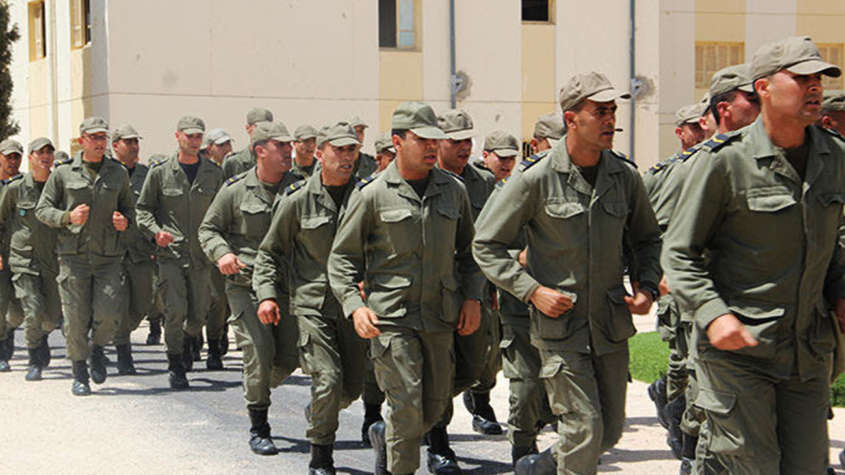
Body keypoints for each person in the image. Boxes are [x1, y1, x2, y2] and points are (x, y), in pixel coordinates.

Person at [662, 36, 845, 474]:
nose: (814, 86)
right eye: (801, 78)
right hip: (738, 351)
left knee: (807, 467)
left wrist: (841, 292)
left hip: (807, 353)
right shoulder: (723, 162)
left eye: (818, 78)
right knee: (755, 466)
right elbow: (679, 253)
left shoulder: (835, 157)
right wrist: (714, 314)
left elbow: (835, 242)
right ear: (763, 87)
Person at [473, 72, 661, 474]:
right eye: (600, 112)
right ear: (571, 119)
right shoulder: (536, 178)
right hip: (561, 329)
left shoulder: (625, 177)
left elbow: (647, 239)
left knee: (608, 432)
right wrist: (531, 291)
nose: (610, 120)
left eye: (612, 111)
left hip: (610, 325)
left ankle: (537, 468)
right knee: (584, 430)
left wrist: (646, 286)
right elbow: (485, 244)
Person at [328, 101, 484, 475]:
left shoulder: (453, 190)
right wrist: (354, 305)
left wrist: (473, 297)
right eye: (422, 140)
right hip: (392, 319)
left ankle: (388, 436)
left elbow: (470, 252)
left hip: (440, 316)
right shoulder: (372, 194)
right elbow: (342, 258)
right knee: (406, 405)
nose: (432, 147)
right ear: (398, 142)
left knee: (434, 408)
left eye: (435, 140)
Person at [654, 63, 760, 472]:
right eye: (751, 98)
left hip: (760, 306)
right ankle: (689, 443)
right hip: (708, 301)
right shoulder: (695, 165)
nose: (760, 106)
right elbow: (659, 228)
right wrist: (662, 277)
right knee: (704, 389)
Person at [253, 122, 365, 473]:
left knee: (353, 387)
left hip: (354, 307)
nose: (346, 157)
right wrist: (267, 296)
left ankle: (320, 410)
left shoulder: (366, 196)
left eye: (351, 150)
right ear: (320, 153)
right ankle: (321, 457)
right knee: (328, 379)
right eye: (338, 150)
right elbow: (270, 253)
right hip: (312, 304)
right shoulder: (298, 200)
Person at [199, 121, 301, 456]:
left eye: (289, 145)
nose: (288, 151)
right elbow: (208, 230)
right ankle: (259, 427)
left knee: (288, 357)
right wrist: (222, 253)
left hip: (288, 287)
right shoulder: (235, 190)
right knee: (259, 351)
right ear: (260, 150)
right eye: (280, 146)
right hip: (247, 286)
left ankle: (255, 385)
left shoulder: (300, 188)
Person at [35, 117, 135, 396]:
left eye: (103, 137)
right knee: (76, 319)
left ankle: (98, 348)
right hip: (74, 257)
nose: (100, 142)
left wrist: (124, 221)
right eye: (94, 137)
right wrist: (67, 217)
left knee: (108, 314)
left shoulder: (118, 173)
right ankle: (79, 372)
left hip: (108, 257)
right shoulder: (63, 173)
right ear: (82, 141)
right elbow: (42, 210)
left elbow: (131, 209)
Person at [493, 113, 563, 466]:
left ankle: (567, 445)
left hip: (565, 306)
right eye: (554, 144)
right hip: (521, 305)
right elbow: (484, 247)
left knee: (563, 384)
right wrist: (518, 257)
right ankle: (522, 447)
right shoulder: (513, 189)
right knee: (525, 385)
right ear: (536, 145)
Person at [431, 109, 501, 454]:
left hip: (477, 287)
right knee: (440, 367)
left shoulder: (484, 183)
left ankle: (471, 401)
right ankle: (438, 439)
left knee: (478, 362)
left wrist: (495, 286)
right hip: (436, 290)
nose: (464, 147)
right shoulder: (425, 181)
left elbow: (498, 234)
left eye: (467, 140)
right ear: (437, 142)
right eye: (455, 140)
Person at [136, 116, 224, 388]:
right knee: (174, 311)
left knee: (198, 315)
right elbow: (143, 210)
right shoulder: (160, 173)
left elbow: (223, 212)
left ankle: (187, 339)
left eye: (198, 136)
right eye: (189, 136)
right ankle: (175, 363)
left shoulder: (213, 173)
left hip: (201, 256)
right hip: (171, 255)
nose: (194, 141)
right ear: (178, 137)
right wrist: (155, 232)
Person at [0, 137, 60, 381]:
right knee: (28, 310)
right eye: (39, 152)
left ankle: (41, 336)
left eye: (49, 152)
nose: (45, 157)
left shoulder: (59, 186)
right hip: (21, 258)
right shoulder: (16, 189)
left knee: (52, 317)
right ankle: (32, 357)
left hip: (52, 260)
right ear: (32, 157)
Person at [110, 124, 157, 375]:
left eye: (135, 142)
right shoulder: (105, 173)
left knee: (142, 303)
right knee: (118, 303)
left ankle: (113, 334)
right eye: (128, 142)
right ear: (115, 145)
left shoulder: (146, 175)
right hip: (112, 252)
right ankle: (122, 351)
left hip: (140, 250)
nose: (134, 146)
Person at [0, 138, 24, 371]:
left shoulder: (25, 185)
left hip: (20, 255)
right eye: (9, 156)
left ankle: (8, 329)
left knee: (18, 310)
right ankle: (1, 349)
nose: (13, 161)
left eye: (17, 156)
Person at [222, 108, 274, 178]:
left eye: (268, 128)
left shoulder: (278, 161)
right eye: (259, 127)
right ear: (248, 128)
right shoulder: (235, 162)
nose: (264, 132)